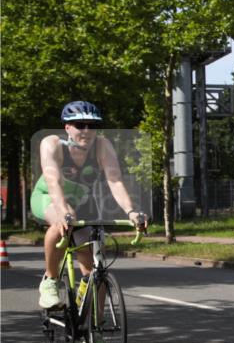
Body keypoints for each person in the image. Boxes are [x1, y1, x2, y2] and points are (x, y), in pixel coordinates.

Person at [33, 101, 148, 309]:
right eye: (80, 124)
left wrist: (131, 211)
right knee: (60, 225)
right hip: (49, 197)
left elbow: (114, 180)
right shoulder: (52, 143)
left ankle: (94, 331)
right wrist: (62, 210)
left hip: (82, 202)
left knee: (96, 270)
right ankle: (50, 281)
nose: (86, 130)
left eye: (92, 125)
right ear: (67, 127)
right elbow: (53, 182)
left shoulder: (102, 146)